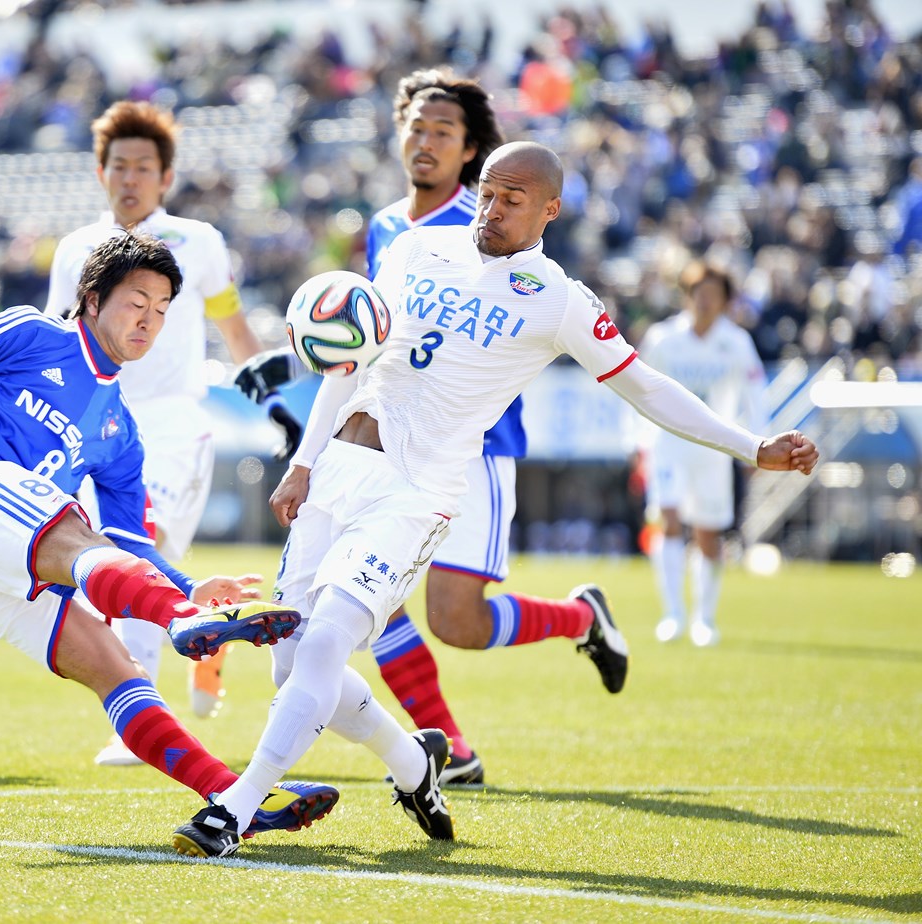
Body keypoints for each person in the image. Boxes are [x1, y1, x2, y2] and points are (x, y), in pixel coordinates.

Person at [172, 141, 819, 858]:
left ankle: (233, 808)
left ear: (551, 208)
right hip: (341, 471)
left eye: (513, 198)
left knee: (325, 642)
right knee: (293, 662)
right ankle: (414, 762)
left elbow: (647, 387)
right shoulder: (418, 249)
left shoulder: (558, 301)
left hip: (415, 495)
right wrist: (304, 460)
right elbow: (352, 358)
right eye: (487, 191)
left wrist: (749, 445)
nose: (493, 207)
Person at [0, 231, 338, 838]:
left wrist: (191, 587)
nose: (149, 322)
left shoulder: (121, 432)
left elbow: (132, 546)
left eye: (163, 312)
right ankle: (178, 623)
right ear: (92, 299)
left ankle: (236, 797)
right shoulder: (34, 333)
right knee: (72, 527)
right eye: (137, 303)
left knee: (114, 664)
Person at [239, 69, 619, 791]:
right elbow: (368, 340)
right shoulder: (389, 225)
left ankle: (578, 619)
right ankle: (449, 748)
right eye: (415, 127)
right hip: (384, 450)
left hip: (471, 452)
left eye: (443, 132)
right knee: (361, 603)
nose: (425, 141)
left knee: (457, 620)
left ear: (471, 148)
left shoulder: (483, 226)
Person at [45, 100, 300, 766]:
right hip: (99, 430)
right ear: (101, 172)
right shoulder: (75, 251)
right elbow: (57, 345)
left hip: (174, 423)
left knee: (137, 551)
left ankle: (140, 717)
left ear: (165, 177)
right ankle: (205, 645)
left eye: (144, 167)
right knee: (142, 572)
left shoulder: (199, 242)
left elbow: (234, 327)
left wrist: (271, 404)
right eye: (119, 165)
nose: (131, 178)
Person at [637, 261, 767, 646]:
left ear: (726, 301)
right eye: (699, 292)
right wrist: (637, 442)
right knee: (670, 521)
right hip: (668, 445)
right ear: (687, 296)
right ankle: (673, 613)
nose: (706, 301)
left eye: (714, 294)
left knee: (709, 535)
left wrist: (756, 445)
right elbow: (635, 386)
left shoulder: (738, 342)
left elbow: (755, 395)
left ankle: (704, 619)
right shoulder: (663, 338)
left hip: (714, 450)